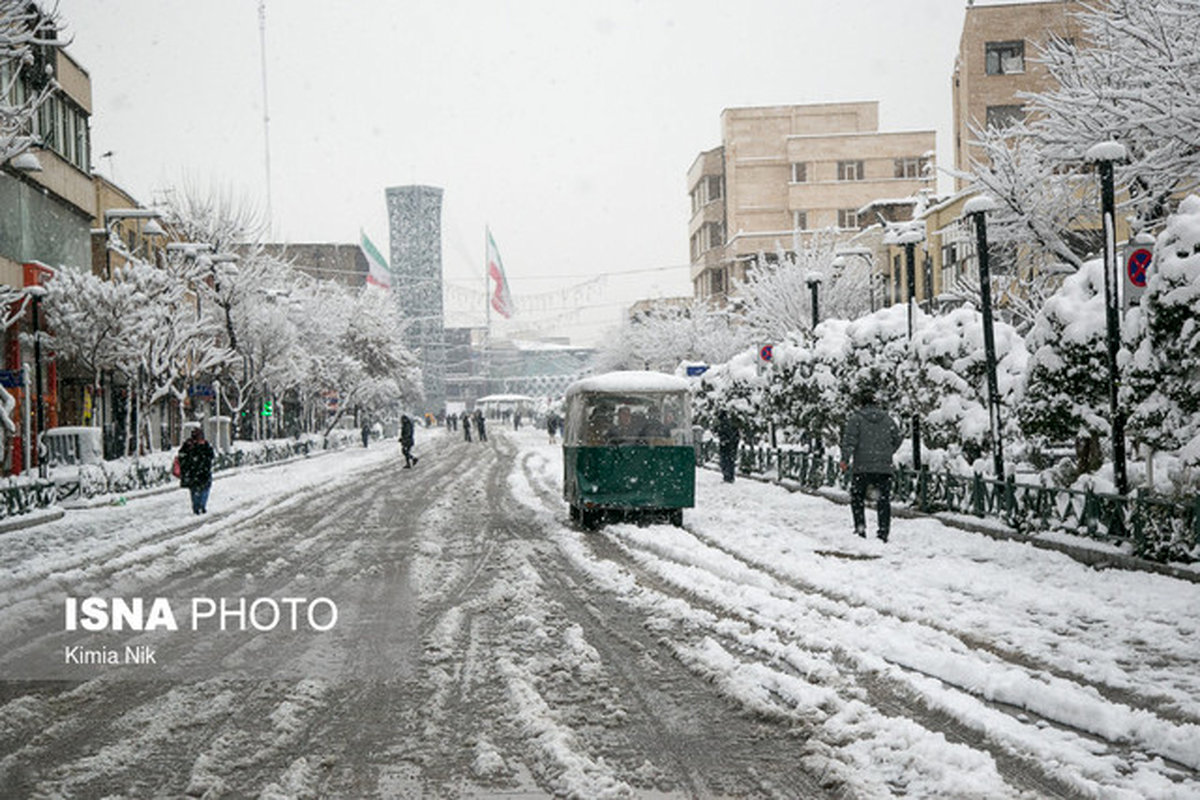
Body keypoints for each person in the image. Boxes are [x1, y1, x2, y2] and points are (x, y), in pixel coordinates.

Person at [839, 386, 903, 542]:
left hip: (862, 467)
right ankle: (883, 532)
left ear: (861, 403)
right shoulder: (887, 419)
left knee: (857, 498)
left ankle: (860, 529)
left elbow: (849, 442)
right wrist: (887, 452)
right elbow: (897, 438)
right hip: (883, 468)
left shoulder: (856, 419)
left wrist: (845, 460)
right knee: (883, 500)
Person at [177, 427, 215, 515]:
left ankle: (197, 507)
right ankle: (201, 506)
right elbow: (210, 455)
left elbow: (181, 456)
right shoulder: (203, 445)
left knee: (195, 490)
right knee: (203, 489)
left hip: (193, 472)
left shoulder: (189, 444)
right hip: (202, 471)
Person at [715, 409, 741, 483]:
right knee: (729, 461)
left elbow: (726, 434)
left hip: (726, 446)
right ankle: (729, 476)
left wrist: (725, 440)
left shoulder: (724, 424)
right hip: (730, 446)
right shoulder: (728, 423)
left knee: (725, 461)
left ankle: (728, 477)